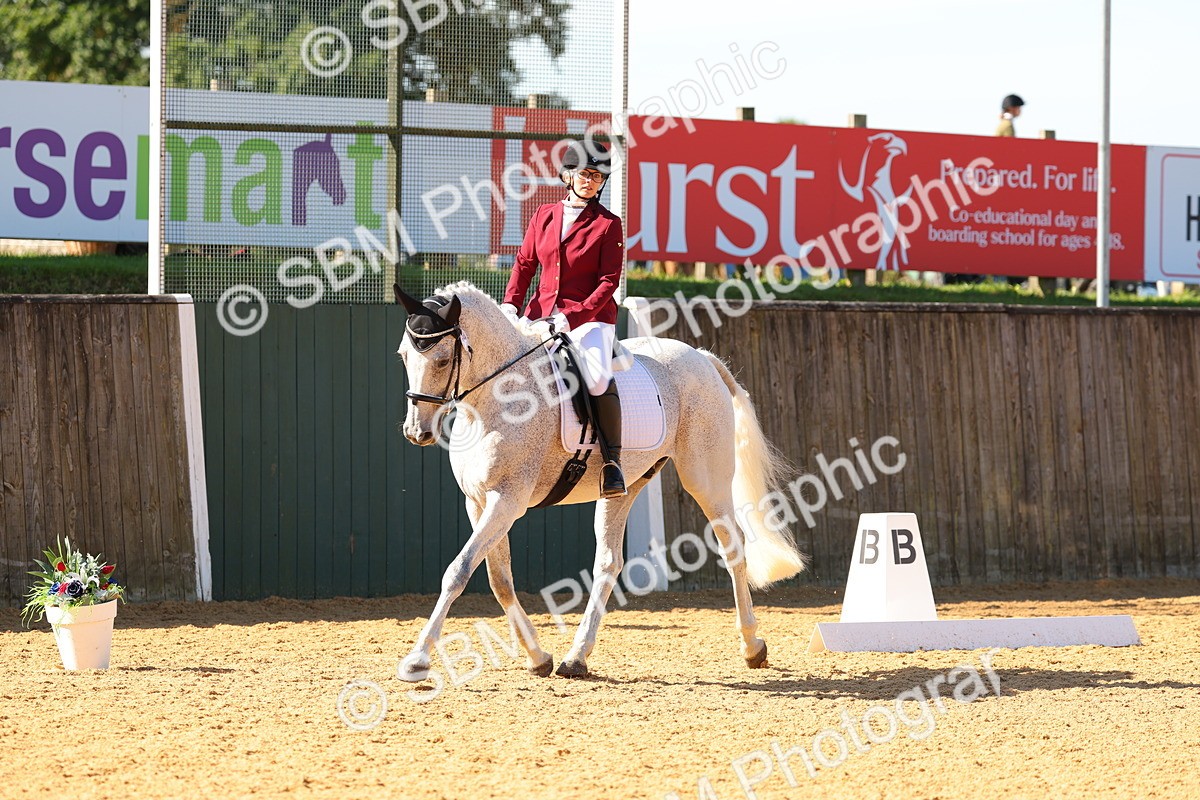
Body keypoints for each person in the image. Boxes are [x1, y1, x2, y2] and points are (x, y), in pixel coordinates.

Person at [501, 143, 627, 498]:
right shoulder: (544, 215)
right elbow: (525, 263)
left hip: (590, 319)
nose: (590, 181)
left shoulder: (608, 224)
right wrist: (511, 305)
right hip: (540, 313)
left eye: (597, 177)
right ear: (568, 175)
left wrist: (570, 317)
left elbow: (608, 283)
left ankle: (613, 463)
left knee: (597, 378)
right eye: (585, 174)